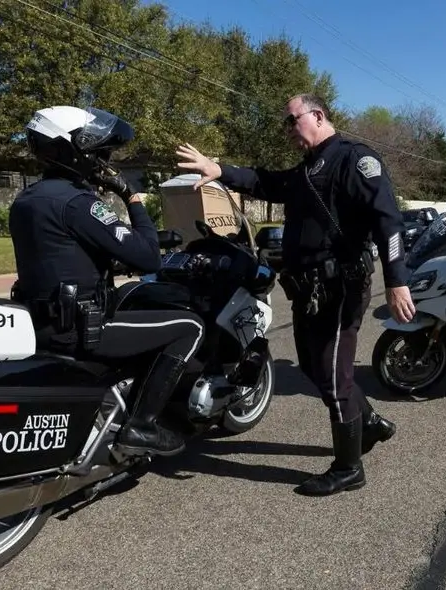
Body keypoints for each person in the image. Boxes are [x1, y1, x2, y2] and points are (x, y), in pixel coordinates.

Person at [176, 93, 416, 497]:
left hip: (341, 287)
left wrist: (397, 279)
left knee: (335, 372)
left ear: (317, 115)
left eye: (292, 121)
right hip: (310, 289)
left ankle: (348, 468)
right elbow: (268, 182)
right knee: (313, 366)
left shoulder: (354, 160)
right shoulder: (310, 168)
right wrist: (219, 169)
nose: (288, 131)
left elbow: (388, 222)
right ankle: (369, 423)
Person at [9, 105, 206, 457]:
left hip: (40, 320)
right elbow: (146, 257)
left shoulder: (27, 199)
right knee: (189, 326)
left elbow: (63, 255)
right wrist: (131, 198)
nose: (103, 162)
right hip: (80, 330)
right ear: (73, 150)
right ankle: (142, 426)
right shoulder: (78, 203)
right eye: (100, 154)